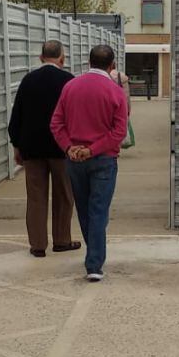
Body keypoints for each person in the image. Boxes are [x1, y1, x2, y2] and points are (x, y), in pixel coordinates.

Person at [50, 45, 129, 282]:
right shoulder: (115, 93)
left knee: (84, 209)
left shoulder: (70, 87)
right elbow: (119, 132)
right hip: (103, 159)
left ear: (88, 62)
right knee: (98, 211)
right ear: (112, 65)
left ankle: (93, 255)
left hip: (74, 159)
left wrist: (69, 147)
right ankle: (94, 263)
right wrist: (92, 149)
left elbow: (56, 123)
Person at [7, 40, 81, 258]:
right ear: (62, 58)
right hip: (62, 148)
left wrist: (17, 146)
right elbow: (75, 115)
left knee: (36, 197)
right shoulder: (69, 81)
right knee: (64, 195)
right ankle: (62, 240)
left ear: (40, 58)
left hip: (32, 149)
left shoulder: (28, 80)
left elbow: (16, 117)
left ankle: (38, 245)